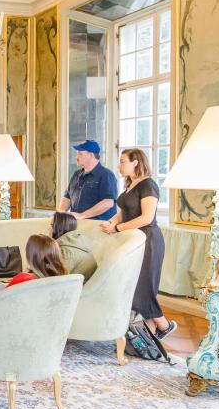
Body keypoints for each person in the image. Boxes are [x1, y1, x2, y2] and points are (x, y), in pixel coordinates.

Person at [0, 234, 68, 384]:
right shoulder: (65, 282)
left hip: (6, 332)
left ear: (32, 256)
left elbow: (2, 304)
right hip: (39, 338)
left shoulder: (23, 279)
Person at [101, 148, 175, 339]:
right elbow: (124, 211)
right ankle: (150, 333)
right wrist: (113, 222)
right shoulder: (130, 185)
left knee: (142, 288)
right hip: (133, 240)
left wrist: (117, 228)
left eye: (123, 161)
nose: (119, 165)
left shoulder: (148, 185)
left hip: (148, 240)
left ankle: (164, 325)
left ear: (136, 162)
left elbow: (146, 218)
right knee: (133, 285)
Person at [59, 140, 118, 221]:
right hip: (76, 225)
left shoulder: (106, 175)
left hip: (97, 227)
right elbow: (67, 197)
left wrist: (82, 215)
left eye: (80, 153)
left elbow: (108, 203)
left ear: (91, 155)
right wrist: (62, 213)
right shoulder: (76, 174)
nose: (76, 157)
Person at [50, 212, 97, 281]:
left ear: (59, 228)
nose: (48, 229)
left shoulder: (67, 251)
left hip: (78, 290)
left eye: (51, 225)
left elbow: (55, 281)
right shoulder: (76, 242)